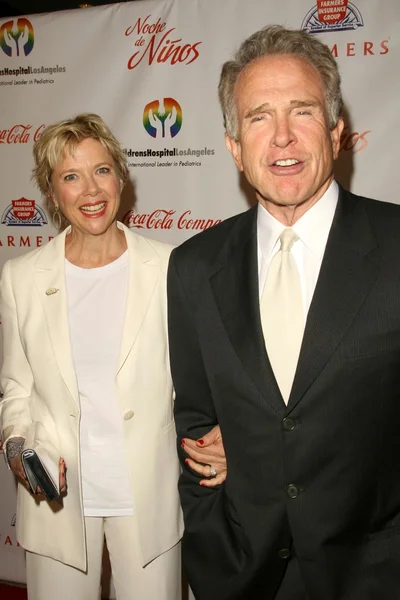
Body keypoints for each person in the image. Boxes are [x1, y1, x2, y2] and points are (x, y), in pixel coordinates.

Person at [167, 24, 400, 600]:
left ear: (337, 129)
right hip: (241, 573)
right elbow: (195, 425)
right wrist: (212, 543)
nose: (282, 139)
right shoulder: (194, 266)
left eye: (301, 111)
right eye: (258, 117)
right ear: (233, 145)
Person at [0, 113, 225, 600]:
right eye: (70, 177)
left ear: (120, 176)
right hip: (56, 498)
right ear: (51, 191)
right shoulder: (20, 276)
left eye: (101, 170)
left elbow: (201, 377)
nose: (90, 191)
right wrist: (18, 449)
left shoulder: (170, 267)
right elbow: (16, 390)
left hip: (148, 494)